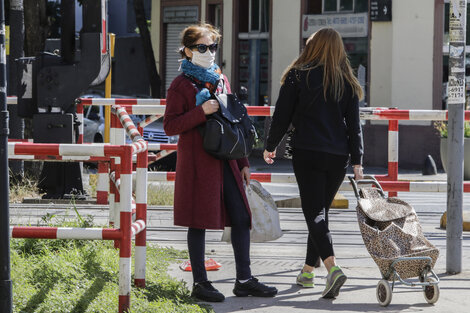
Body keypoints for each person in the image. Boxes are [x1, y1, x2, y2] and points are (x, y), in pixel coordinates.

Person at [164, 23, 278, 303]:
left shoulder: (220, 79)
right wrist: (200, 111)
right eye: (202, 47)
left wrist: (243, 162)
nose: (209, 52)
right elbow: (170, 126)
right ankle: (200, 282)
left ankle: (244, 279)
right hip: (197, 162)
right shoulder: (181, 85)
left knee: (240, 216)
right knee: (198, 221)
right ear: (188, 51)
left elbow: (233, 121)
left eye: (212, 47)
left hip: (226, 160)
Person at [263, 28, 364, 298]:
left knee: (314, 213)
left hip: (308, 151)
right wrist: (357, 160)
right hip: (338, 156)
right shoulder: (347, 81)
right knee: (320, 213)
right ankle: (308, 271)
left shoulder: (297, 76)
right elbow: (354, 127)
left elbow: (281, 115)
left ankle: (332, 268)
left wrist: (270, 145)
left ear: (314, 47)